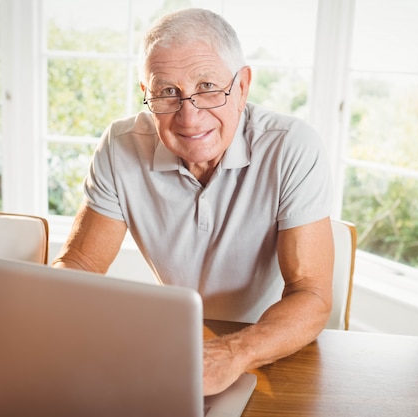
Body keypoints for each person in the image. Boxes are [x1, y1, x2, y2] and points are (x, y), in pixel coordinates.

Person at [52, 8, 334, 396]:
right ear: (146, 95)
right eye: (168, 91)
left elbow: (312, 294)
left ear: (243, 86)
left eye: (207, 87)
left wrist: (233, 352)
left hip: (273, 347)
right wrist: (43, 317)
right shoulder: (120, 147)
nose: (189, 116)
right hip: (176, 345)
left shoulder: (292, 146)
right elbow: (81, 264)